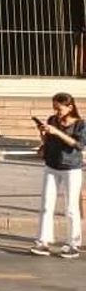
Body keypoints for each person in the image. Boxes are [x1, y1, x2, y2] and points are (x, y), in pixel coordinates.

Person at [31, 93, 86, 258]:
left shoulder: (80, 124)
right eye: (54, 108)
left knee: (71, 208)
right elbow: (47, 140)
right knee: (46, 205)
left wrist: (57, 132)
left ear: (70, 107)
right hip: (52, 166)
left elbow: (78, 145)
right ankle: (43, 241)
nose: (56, 112)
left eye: (59, 109)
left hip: (71, 168)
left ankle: (73, 244)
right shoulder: (52, 120)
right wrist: (43, 133)